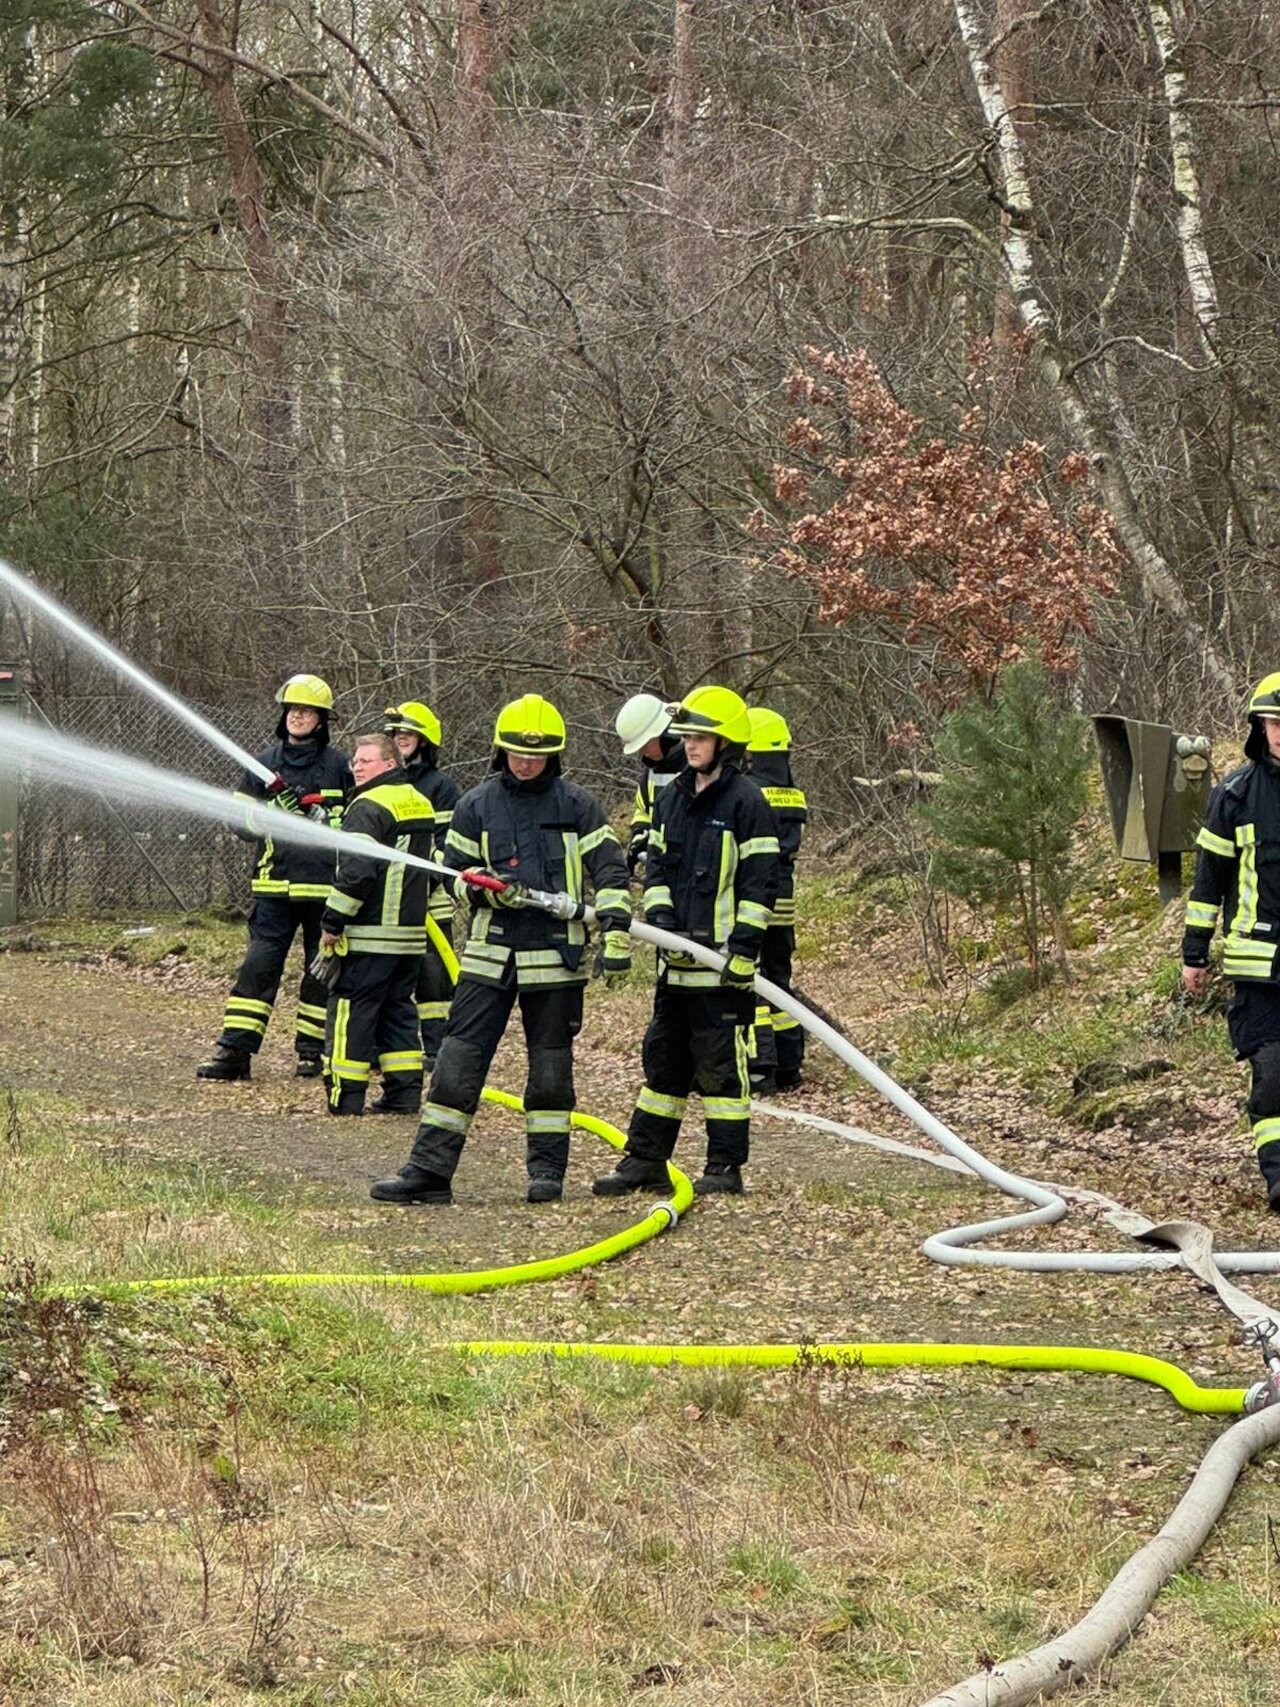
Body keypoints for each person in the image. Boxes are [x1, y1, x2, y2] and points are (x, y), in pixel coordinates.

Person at [370, 694, 633, 1206]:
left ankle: (546, 1174)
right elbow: (453, 877)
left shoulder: (578, 806)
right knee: (456, 1063)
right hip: (491, 954)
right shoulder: (476, 805)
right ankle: (429, 1172)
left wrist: (616, 931)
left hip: (557, 957)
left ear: (554, 756)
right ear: (499, 751)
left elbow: (610, 869)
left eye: (536, 755)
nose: (526, 761)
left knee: (551, 1072)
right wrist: (484, 888)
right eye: (516, 752)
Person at [593, 684, 779, 1199]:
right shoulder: (672, 796)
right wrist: (659, 917)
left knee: (721, 1071)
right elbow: (656, 866)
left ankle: (724, 1166)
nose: (690, 745)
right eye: (687, 736)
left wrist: (744, 948)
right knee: (663, 1063)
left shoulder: (747, 803)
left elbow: (760, 882)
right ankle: (646, 1160)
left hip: (721, 966)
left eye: (700, 737)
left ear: (726, 743)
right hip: (674, 965)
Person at [197, 674, 352, 1082]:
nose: (298, 716)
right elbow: (238, 820)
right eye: (292, 710)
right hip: (274, 888)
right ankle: (235, 1052)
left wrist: (323, 818)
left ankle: (311, 1053)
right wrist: (273, 814)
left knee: (319, 973)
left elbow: (357, 822)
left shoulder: (340, 766)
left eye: (307, 711)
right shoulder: (262, 764)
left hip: (325, 891)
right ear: (284, 716)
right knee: (258, 968)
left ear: (322, 719)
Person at [1183, 673, 1280, 1210]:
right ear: (1259, 727)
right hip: (1261, 969)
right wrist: (1194, 954)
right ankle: (1279, 1177)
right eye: (1275, 722)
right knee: (1273, 1076)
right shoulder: (1235, 796)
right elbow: (1208, 884)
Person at [318, 732, 435, 1115]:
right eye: (355, 760)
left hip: (369, 934)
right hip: (409, 936)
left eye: (366, 760)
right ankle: (403, 1095)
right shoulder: (419, 802)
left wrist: (333, 920)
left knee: (351, 1011)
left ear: (389, 765)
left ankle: (344, 1096)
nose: (356, 766)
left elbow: (357, 872)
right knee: (398, 1011)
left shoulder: (367, 806)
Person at [382, 700, 462, 1078]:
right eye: (396, 735)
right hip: (385, 900)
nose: (400, 741)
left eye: (408, 735)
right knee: (388, 974)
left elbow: (449, 843)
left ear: (425, 741)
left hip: (430, 899)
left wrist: (426, 875)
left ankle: (437, 1047)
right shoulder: (383, 782)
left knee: (433, 976)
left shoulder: (440, 787)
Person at [743, 706, 808, 1094]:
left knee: (750, 982)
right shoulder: (792, 793)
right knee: (779, 979)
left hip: (755, 899)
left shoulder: (750, 792)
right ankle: (790, 1065)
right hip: (785, 903)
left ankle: (760, 1066)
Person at [614, 693, 683, 878]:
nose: (643, 752)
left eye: (645, 744)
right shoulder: (652, 772)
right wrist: (640, 837)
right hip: (661, 870)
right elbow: (643, 810)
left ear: (666, 734)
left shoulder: (698, 768)